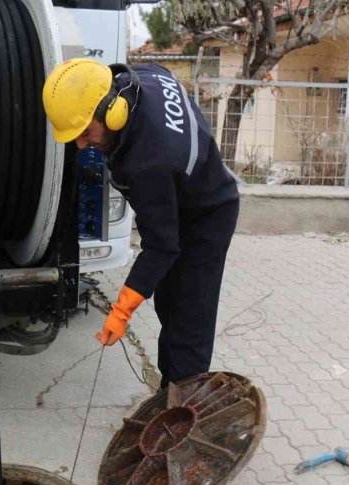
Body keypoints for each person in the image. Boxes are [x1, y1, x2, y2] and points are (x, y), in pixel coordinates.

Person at [42, 59, 240, 387]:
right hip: (179, 191)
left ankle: (184, 410)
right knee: (168, 300)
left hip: (206, 216)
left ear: (112, 111)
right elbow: (161, 71)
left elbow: (161, 246)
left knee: (188, 315)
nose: (81, 145)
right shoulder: (138, 80)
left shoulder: (150, 161)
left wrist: (121, 312)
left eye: (86, 132)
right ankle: (171, 391)